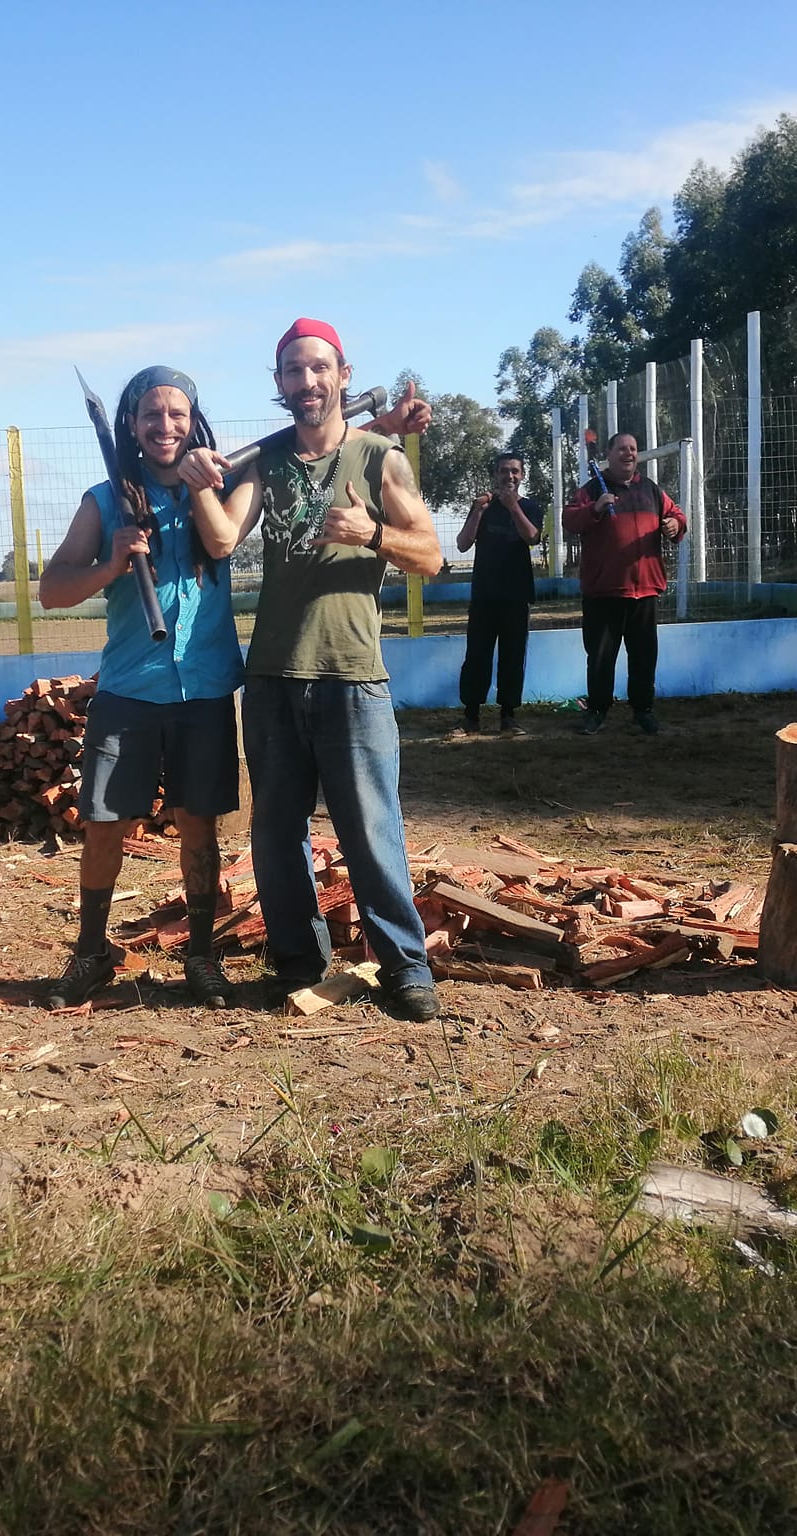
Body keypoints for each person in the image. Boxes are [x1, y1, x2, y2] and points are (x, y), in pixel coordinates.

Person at [180, 318, 444, 1022]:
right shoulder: (266, 462)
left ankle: (406, 968)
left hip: (353, 675)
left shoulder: (380, 457)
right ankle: (298, 962)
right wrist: (199, 480)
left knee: (371, 830)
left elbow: (431, 555)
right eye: (293, 371)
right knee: (276, 833)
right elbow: (223, 537)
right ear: (279, 384)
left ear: (343, 374)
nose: (307, 382)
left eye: (318, 368)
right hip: (271, 677)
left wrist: (373, 534)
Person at [37, 366, 243, 1011]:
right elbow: (51, 591)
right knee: (103, 824)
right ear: (130, 423)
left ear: (194, 420)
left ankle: (201, 956)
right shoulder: (103, 501)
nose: (165, 426)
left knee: (199, 826)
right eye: (151, 415)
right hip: (130, 690)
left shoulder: (220, 486)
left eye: (177, 414)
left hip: (204, 688)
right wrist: (111, 563)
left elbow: (231, 529)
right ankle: (92, 953)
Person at [562, 430, 687, 735]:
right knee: (601, 658)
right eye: (622, 449)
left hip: (644, 589)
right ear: (609, 453)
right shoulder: (592, 490)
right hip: (603, 591)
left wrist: (675, 524)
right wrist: (596, 508)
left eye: (633, 449)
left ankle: (643, 710)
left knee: (644, 657)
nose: (629, 453)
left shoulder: (651, 491)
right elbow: (569, 520)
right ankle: (597, 711)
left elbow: (677, 516)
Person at [452, 451, 541, 737]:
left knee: (513, 657)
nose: (509, 476)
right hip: (484, 595)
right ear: (496, 474)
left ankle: (508, 716)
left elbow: (531, 537)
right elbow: (463, 544)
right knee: (477, 656)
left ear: (522, 475)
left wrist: (514, 508)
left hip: (516, 596)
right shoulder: (482, 506)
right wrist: (477, 510)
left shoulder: (530, 506)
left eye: (515, 471)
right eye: (504, 471)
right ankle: (471, 716)